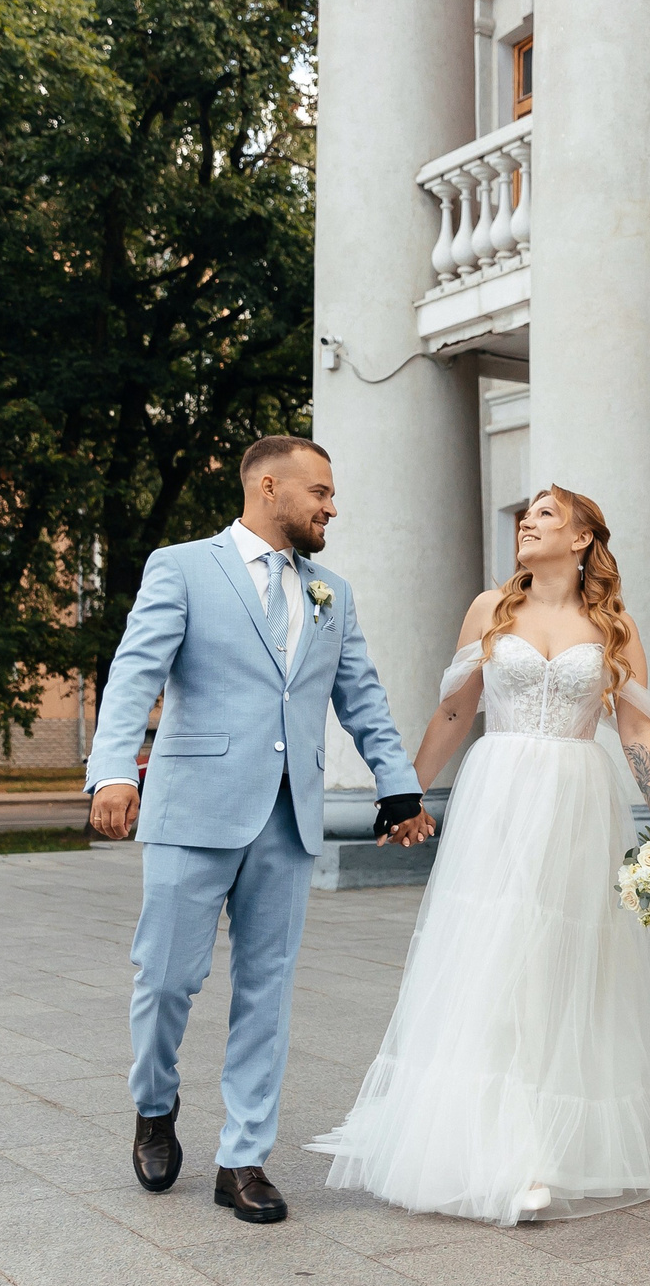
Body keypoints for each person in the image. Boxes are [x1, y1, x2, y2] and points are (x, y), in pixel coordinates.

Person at [86, 436, 433, 1225]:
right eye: (319, 492)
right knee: (166, 979)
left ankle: (243, 1158)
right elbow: (134, 671)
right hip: (191, 809)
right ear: (268, 486)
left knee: (266, 992)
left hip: (287, 818)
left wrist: (399, 785)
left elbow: (363, 698)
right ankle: (154, 1103)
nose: (331, 508)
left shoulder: (330, 594)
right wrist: (113, 770)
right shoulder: (181, 567)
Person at [308, 485, 650, 1226]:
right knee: (496, 950)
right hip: (499, 794)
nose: (526, 525)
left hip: (577, 799)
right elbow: (455, 710)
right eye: (524, 516)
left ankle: (548, 1142)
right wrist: (404, 793)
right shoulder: (490, 609)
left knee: (559, 963)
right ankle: (495, 1142)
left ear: (581, 539)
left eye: (544, 515)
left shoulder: (614, 625)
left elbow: (636, 729)